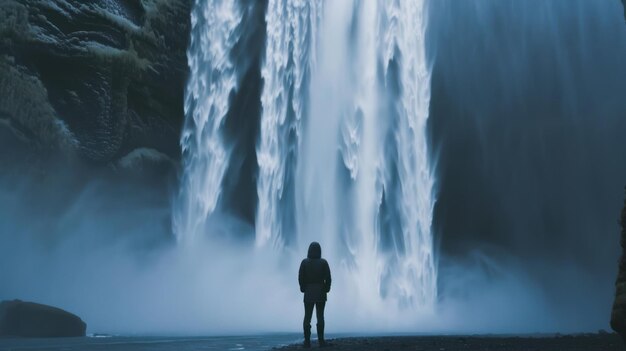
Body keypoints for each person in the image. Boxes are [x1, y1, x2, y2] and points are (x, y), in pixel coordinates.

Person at [298, 242, 331, 348]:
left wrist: (303, 288)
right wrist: (326, 288)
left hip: (308, 292)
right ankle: (321, 341)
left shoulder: (304, 262)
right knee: (320, 316)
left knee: (307, 317)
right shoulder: (323, 262)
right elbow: (328, 278)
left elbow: (300, 277)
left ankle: (307, 341)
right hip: (321, 291)